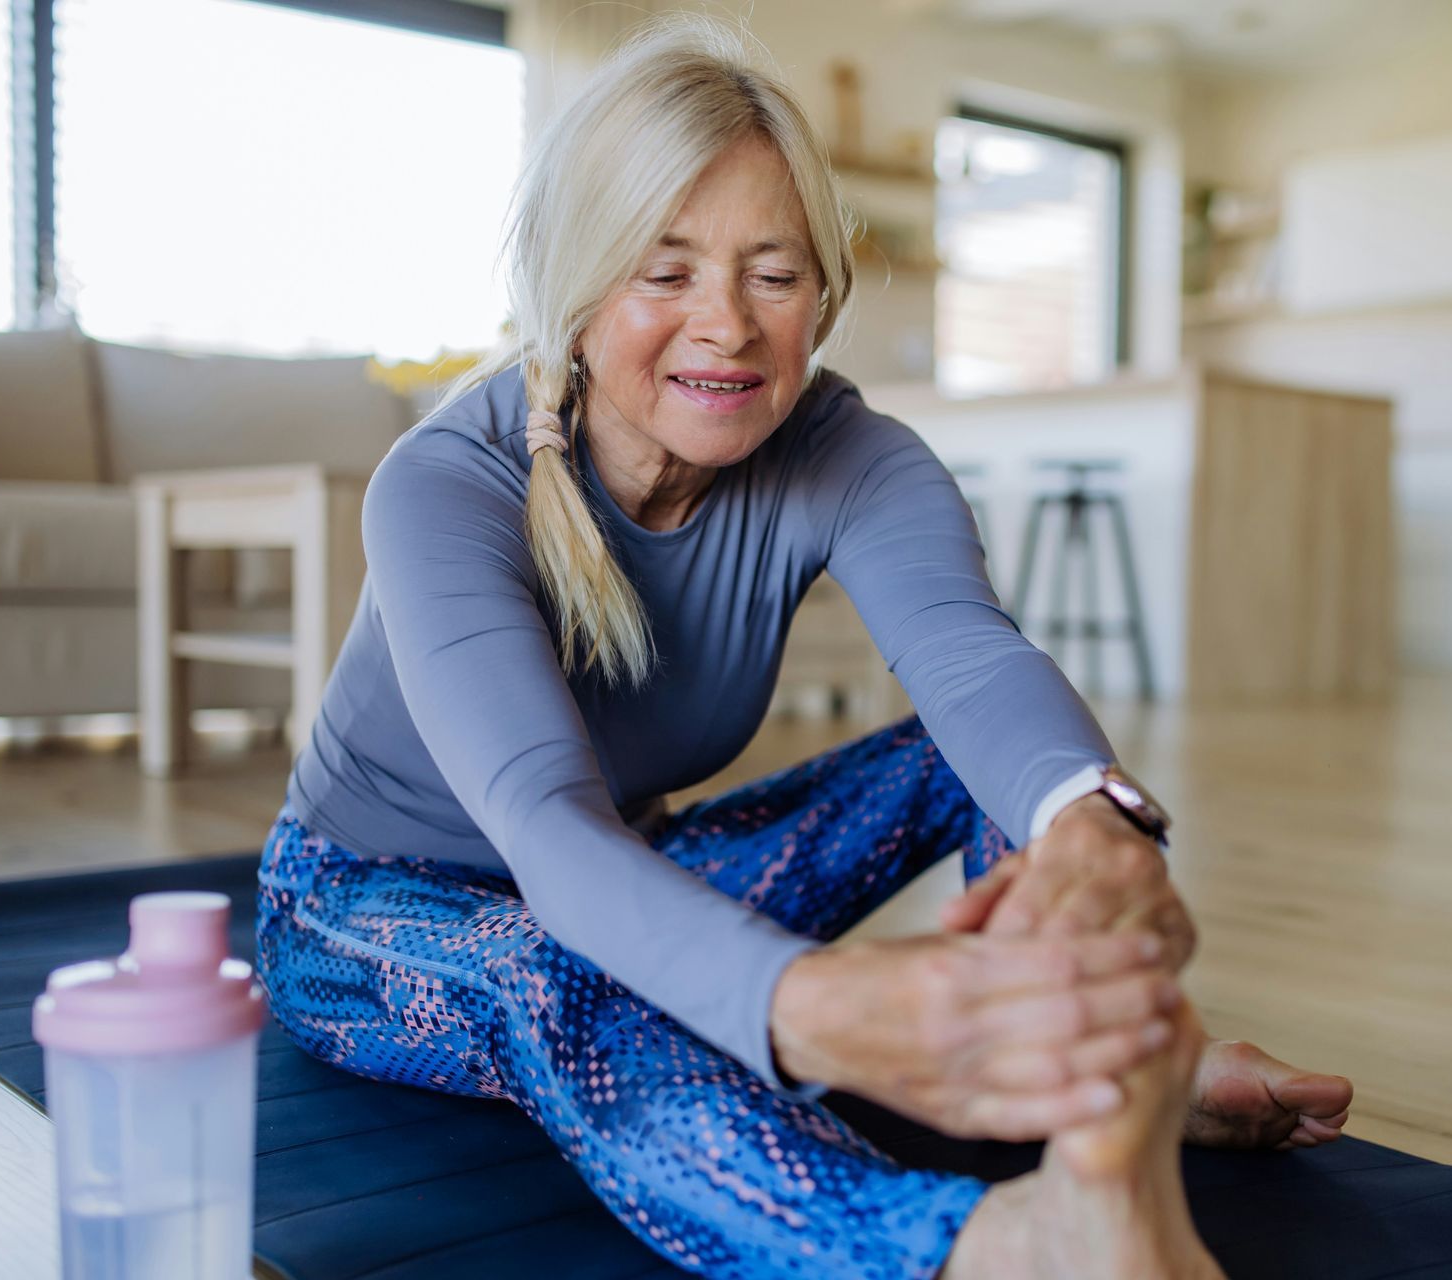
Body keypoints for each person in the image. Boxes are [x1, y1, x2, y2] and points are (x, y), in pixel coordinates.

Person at [255, 15, 1352, 1279]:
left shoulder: (853, 453)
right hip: (363, 908)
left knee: (1005, 770)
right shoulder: (443, 482)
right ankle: (980, 1250)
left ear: (822, 295)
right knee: (563, 970)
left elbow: (975, 667)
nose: (725, 324)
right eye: (663, 272)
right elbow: (546, 826)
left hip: (633, 865)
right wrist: (816, 1007)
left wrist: (1100, 826)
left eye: (771, 274)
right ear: (574, 284)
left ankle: (1107, 1066)